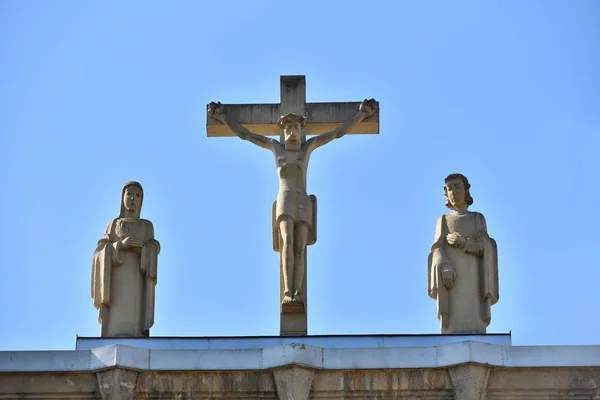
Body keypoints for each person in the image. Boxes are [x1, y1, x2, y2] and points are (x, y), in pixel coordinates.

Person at [208, 99, 378, 306]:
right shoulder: (275, 147)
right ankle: (287, 292)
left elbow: (336, 133)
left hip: (303, 202)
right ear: (283, 129)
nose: (292, 132)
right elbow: (247, 135)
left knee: (300, 248)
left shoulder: (307, 148)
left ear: (301, 129)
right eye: (288, 127)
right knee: (286, 242)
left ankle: (298, 293)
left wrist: (361, 115)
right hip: (285, 201)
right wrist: (223, 117)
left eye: (296, 127)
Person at [428, 174, 499, 334]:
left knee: (472, 317)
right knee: (454, 319)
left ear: (466, 191)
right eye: (449, 189)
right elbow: (437, 249)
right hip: (451, 280)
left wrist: (465, 243)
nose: (453, 192)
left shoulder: (477, 219)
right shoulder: (444, 221)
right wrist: (444, 265)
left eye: (457, 187)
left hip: (473, 278)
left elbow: (485, 246)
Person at [91, 181, 160, 336]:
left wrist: (145, 249)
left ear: (141, 201)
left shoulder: (146, 226)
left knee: (135, 321)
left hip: (137, 281)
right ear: (122, 197)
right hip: (115, 281)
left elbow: (153, 248)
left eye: (137, 195)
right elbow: (99, 253)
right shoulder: (113, 224)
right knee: (115, 323)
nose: (133, 198)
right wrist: (120, 245)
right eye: (129, 194)